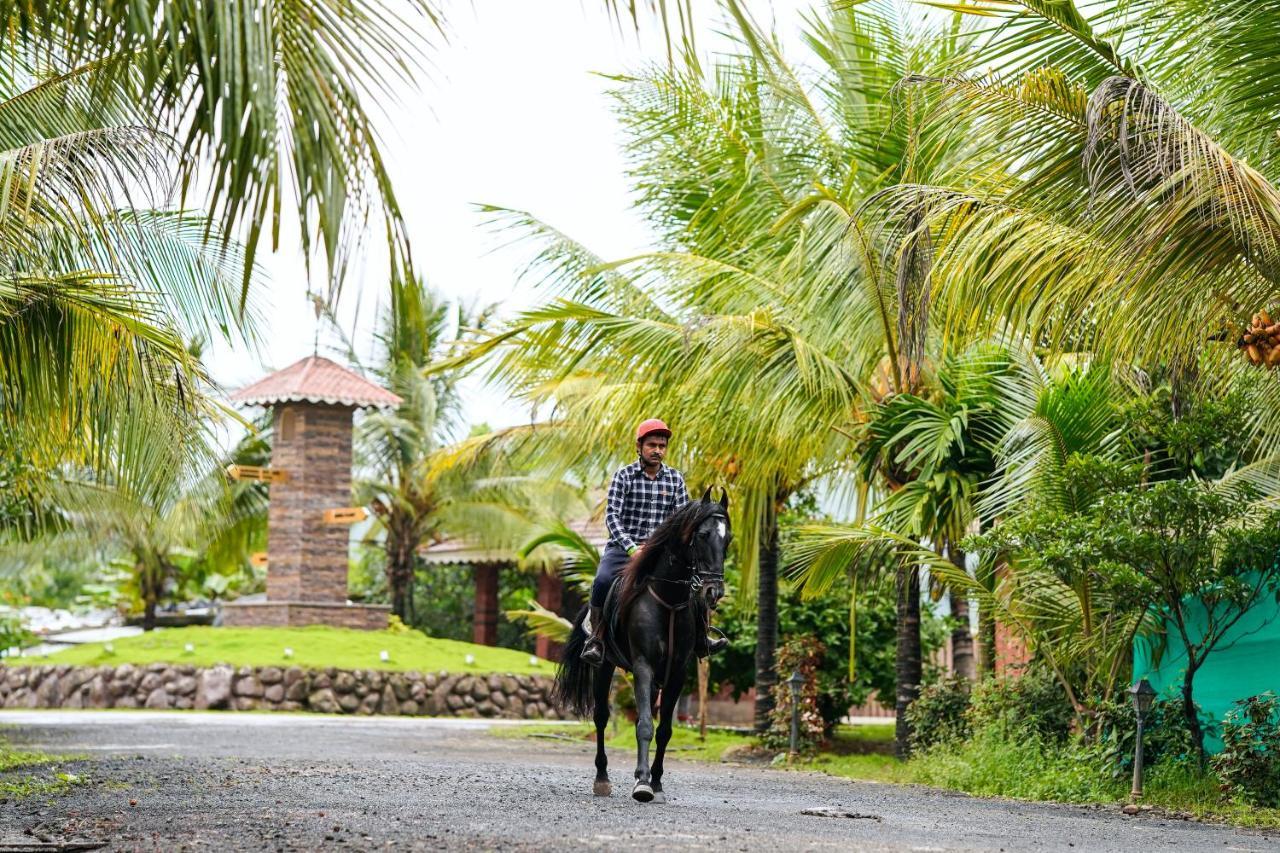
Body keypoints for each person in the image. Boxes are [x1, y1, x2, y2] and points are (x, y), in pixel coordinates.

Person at [580, 418, 728, 665]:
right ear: (639, 446)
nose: (658, 450)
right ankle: (596, 638)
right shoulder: (623, 476)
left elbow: (683, 521)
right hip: (623, 549)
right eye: (652, 445)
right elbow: (612, 517)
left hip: (661, 553)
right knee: (603, 580)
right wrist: (630, 548)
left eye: (662, 445)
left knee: (695, 583)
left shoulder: (675, 479)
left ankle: (702, 637)